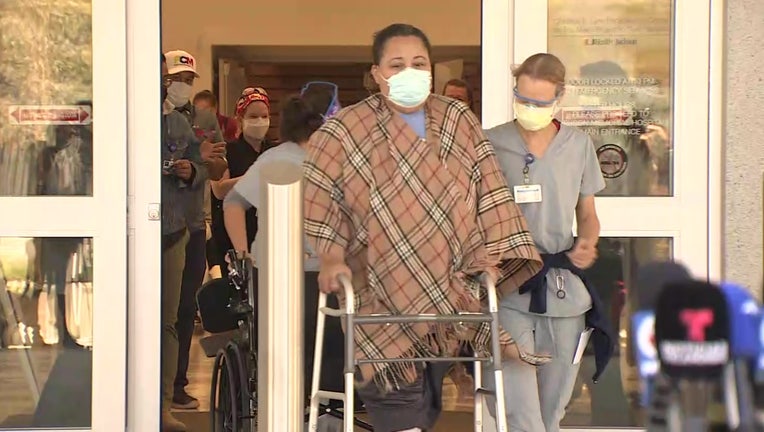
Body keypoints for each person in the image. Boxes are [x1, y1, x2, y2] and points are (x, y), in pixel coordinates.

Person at [302, 23, 547, 432]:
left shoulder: (457, 120)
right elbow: (321, 196)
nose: (409, 73)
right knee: (400, 407)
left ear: (432, 69)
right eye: (396, 65)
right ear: (376, 73)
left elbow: (488, 188)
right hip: (377, 288)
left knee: (426, 404)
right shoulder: (346, 130)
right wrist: (330, 256)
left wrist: (491, 256)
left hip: (450, 291)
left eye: (419, 64)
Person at [484, 53, 614, 432]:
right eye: (522, 99)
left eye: (539, 102)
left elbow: (587, 214)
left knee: (551, 412)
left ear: (559, 97)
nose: (530, 108)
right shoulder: (490, 144)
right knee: (520, 412)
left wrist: (588, 241)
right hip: (509, 287)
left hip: (563, 291)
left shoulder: (578, 145)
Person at [223, 81, 344, 404]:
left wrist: (244, 252)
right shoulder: (279, 160)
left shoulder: (334, 160)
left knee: (319, 349)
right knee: (323, 349)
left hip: (316, 273)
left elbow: (233, 202)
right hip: (287, 274)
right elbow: (233, 202)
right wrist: (243, 255)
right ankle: (322, 413)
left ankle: (318, 410)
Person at [160, 52, 223, 432]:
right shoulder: (148, 117)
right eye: (176, 77)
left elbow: (214, 166)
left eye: (189, 78)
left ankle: (172, 391)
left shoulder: (199, 120)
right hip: (151, 225)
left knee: (182, 312)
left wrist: (194, 168)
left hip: (187, 225)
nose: (182, 84)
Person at [208, 87, 274, 274]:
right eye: (253, 116)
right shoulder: (227, 151)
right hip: (232, 237)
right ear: (240, 118)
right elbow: (219, 189)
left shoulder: (274, 151)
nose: (259, 121)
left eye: (264, 116)